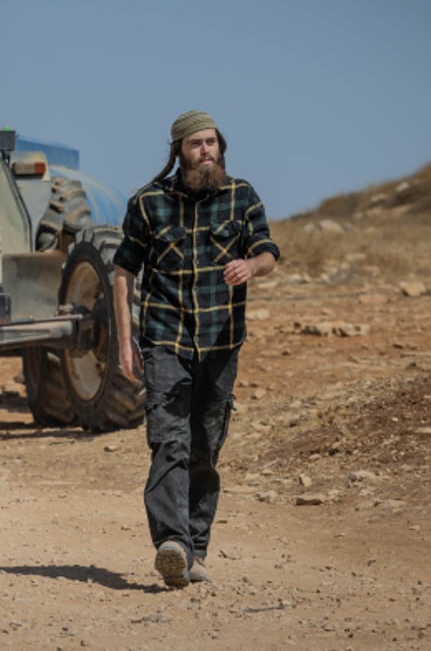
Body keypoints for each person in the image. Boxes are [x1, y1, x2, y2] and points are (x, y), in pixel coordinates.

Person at [112, 109, 279, 588]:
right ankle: (172, 543)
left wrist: (252, 266)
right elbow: (124, 273)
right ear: (179, 152)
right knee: (170, 440)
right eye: (196, 144)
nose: (206, 151)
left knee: (206, 447)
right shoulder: (148, 204)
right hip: (165, 338)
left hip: (222, 342)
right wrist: (126, 341)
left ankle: (196, 549)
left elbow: (268, 250)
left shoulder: (241, 196)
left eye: (212, 143)